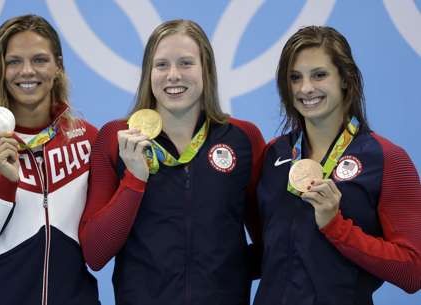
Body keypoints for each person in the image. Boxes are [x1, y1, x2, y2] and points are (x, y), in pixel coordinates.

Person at [79, 19, 265, 305]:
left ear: (206, 69)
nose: (173, 75)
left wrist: (223, 273)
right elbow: (95, 252)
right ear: (148, 73)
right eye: (162, 65)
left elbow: (272, 244)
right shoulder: (117, 138)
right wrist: (135, 179)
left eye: (186, 63)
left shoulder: (243, 138)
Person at [0, 15, 100, 305]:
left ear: (58, 66)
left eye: (39, 60)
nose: (27, 71)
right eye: (14, 62)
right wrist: (3, 186)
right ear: (0, 69)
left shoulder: (86, 140)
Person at [254, 25, 421, 305]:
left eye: (319, 75)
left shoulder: (387, 159)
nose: (306, 88)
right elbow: (268, 251)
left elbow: (413, 272)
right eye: (295, 78)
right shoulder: (274, 154)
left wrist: (336, 226)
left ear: (345, 78)